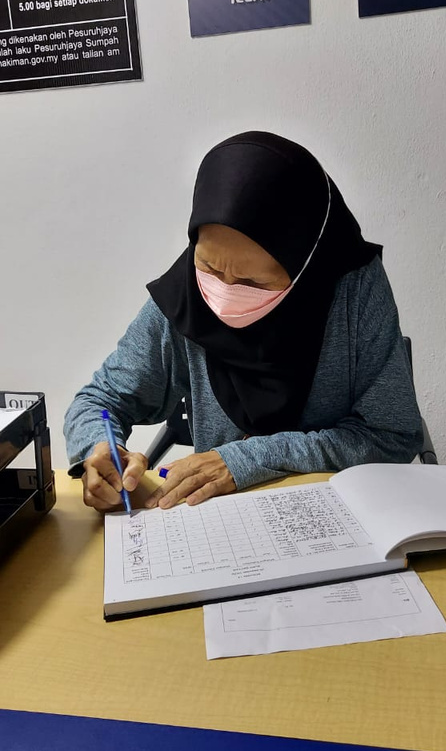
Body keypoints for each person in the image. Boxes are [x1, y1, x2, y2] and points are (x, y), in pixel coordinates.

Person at [64, 131, 423, 512]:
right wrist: (99, 447)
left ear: (306, 266)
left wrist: (250, 458)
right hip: (224, 521)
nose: (224, 295)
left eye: (252, 282)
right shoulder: (186, 294)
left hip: (343, 513)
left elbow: (392, 436)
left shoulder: (354, 289)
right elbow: (99, 401)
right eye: (209, 267)